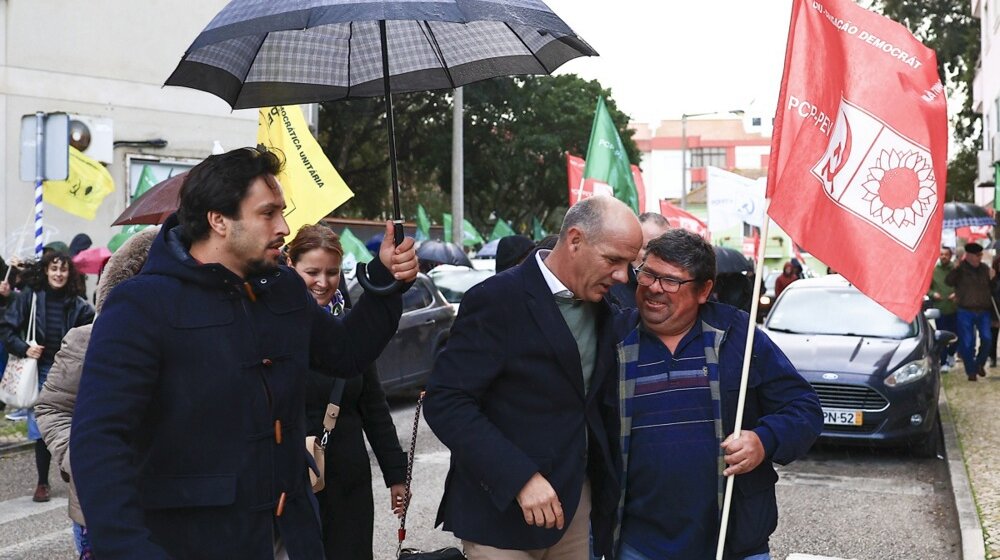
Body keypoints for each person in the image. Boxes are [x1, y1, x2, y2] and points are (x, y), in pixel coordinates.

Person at [69, 146, 419, 559]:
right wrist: (130, 549)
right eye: (268, 213)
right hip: (194, 542)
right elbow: (100, 443)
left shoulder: (284, 290)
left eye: (282, 212)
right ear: (219, 219)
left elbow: (346, 352)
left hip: (294, 534)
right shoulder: (141, 306)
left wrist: (384, 278)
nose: (284, 227)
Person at [424, 195, 643, 559]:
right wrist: (519, 478)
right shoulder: (496, 299)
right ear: (574, 240)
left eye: (629, 264)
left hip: (574, 510)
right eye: (613, 260)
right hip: (498, 514)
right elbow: (446, 401)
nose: (623, 276)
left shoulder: (606, 305)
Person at [612, 229, 822, 560]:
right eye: (648, 274)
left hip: (733, 540)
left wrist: (763, 440)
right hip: (638, 544)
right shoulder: (615, 337)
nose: (653, 287)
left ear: (704, 290)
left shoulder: (736, 334)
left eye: (670, 281)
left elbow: (804, 409)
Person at [35, 227, 159, 559]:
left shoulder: (199, 341)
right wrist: (78, 457)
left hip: (178, 507)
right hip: (98, 506)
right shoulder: (87, 339)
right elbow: (52, 408)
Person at [287, 224, 408, 560]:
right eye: (311, 272)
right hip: (289, 479)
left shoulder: (353, 329)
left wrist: (396, 475)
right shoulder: (274, 326)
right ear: (290, 265)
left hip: (347, 481)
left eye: (332, 272)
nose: (322, 282)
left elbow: (374, 406)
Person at [0, 251, 94, 503]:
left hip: (70, 370)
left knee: (74, 423)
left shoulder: (79, 304)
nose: (58, 274)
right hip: (40, 368)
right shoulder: (30, 298)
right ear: (45, 271)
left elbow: (89, 335)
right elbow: (7, 328)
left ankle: (67, 464)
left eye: (63, 270)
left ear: (69, 273)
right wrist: (24, 348)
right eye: (54, 269)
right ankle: (42, 481)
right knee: (44, 425)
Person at [946, 242, 995, 381]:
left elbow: (992, 288)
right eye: (977, 255)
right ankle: (971, 371)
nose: (980, 257)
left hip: (983, 310)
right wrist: (954, 269)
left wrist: (993, 277)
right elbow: (948, 281)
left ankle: (980, 363)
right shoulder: (960, 269)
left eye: (980, 255)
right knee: (967, 343)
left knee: (987, 339)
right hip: (965, 311)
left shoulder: (985, 269)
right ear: (969, 256)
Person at [609, 212, 670, 310]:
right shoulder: (611, 283)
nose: (657, 257)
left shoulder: (678, 285)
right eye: (647, 248)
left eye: (664, 249)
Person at [928, 247, 958, 370]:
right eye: (941, 254)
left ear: (950, 256)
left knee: (956, 335)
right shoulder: (934, 271)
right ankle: (944, 362)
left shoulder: (956, 270)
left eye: (946, 254)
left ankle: (951, 354)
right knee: (941, 336)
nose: (943, 256)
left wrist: (957, 293)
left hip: (955, 308)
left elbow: (963, 285)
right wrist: (933, 294)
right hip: (940, 309)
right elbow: (927, 288)